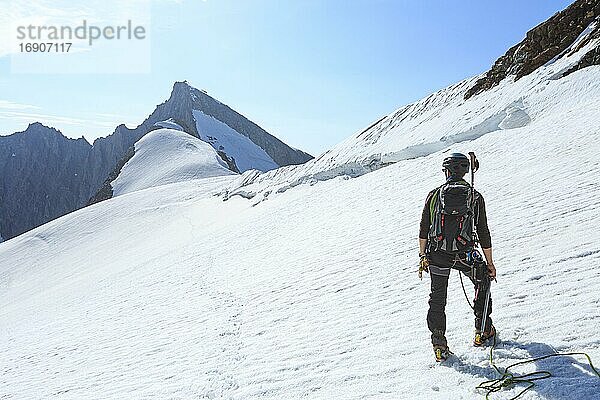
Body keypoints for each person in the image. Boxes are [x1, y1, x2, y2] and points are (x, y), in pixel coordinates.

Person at [418, 152, 497, 361]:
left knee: (437, 298)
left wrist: (422, 256)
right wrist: (489, 263)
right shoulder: (474, 195)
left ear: (446, 171)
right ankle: (482, 330)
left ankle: (439, 344)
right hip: (466, 254)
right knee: (482, 280)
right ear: (465, 171)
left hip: (437, 254)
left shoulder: (434, 195)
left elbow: (424, 229)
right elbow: (483, 231)